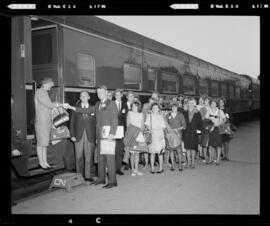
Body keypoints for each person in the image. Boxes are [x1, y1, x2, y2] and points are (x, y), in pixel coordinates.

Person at [66, 85, 118, 189]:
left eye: (102, 92)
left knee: (109, 158)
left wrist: (112, 133)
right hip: (99, 136)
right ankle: (101, 178)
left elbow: (114, 119)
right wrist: (72, 107)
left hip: (108, 135)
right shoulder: (98, 104)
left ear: (106, 92)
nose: (100, 94)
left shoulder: (111, 103)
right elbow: (86, 111)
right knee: (100, 158)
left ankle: (112, 181)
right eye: (98, 93)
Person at [70, 91, 96, 183]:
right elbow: (72, 123)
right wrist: (72, 135)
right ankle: (79, 176)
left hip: (90, 135)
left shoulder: (93, 108)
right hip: (78, 136)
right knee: (78, 157)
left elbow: (96, 124)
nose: (83, 97)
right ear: (80, 98)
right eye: (82, 96)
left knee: (89, 157)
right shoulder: (75, 108)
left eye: (85, 96)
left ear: (89, 97)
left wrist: (96, 137)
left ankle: (88, 176)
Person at [34, 78, 60, 169]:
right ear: (45, 84)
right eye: (50, 85)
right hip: (42, 122)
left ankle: (45, 162)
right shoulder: (40, 92)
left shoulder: (44, 92)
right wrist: (59, 104)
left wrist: (56, 104)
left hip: (45, 122)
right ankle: (41, 162)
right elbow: (49, 105)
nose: (51, 87)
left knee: (44, 143)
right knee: (41, 143)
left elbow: (48, 105)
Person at [145, 103, 166, 173]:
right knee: (152, 153)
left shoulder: (161, 116)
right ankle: (152, 168)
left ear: (158, 109)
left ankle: (161, 168)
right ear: (152, 109)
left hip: (160, 135)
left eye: (156, 108)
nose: (155, 109)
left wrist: (161, 135)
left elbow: (163, 126)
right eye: (154, 108)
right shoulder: (149, 116)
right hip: (153, 135)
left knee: (160, 153)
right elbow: (147, 125)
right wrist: (150, 130)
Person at [125, 101, 145, 176]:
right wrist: (133, 132)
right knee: (132, 153)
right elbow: (128, 125)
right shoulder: (129, 113)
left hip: (139, 135)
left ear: (138, 107)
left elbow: (142, 126)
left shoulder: (141, 114)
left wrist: (140, 131)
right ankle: (133, 170)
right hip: (132, 135)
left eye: (135, 106)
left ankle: (136, 169)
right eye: (132, 106)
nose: (134, 108)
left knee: (137, 153)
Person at [165, 103, 186, 171]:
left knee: (179, 150)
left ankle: (180, 165)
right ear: (171, 108)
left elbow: (184, 125)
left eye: (175, 107)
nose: (174, 108)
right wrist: (168, 131)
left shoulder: (180, 115)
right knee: (171, 150)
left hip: (178, 134)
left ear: (177, 108)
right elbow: (165, 124)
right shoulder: (168, 115)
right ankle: (173, 165)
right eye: (173, 107)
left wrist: (178, 129)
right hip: (170, 135)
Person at [182, 98, 203, 169]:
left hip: (194, 132)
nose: (191, 104)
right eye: (189, 103)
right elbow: (182, 123)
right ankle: (188, 163)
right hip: (186, 132)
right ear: (188, 104)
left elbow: (200, 123)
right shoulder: (184, 112)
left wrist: (199, 131)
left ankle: (193, 162)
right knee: (187, 148)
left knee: (193, 148)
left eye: (192, 103)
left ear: (194, 104)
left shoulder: (197, 113)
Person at [205, 99, 226, 165]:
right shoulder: (209, 111)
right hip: (211, 129)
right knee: (210, 145)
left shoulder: (220, 111)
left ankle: (218, 160)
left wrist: (219, 123)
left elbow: (224, 119)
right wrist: (210, 126)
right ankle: (211, 159)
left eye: (214, 103)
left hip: (217, 129)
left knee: (218, 145)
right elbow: (206, 119)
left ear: (216, 104)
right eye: (211, 103)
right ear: (210, 104)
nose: (213, 104)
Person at [142, 96, 156, 170]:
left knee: (153, 147)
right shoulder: (145, 106)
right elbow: (143, 115)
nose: (151, 103)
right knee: (145, 147)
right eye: (150, 102)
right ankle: (146, 164)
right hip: (146, 129)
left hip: (154, 130)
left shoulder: (156, 108)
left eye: (152, 102)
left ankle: (152, 164)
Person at [122, 91, 134, 170]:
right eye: (130, 96)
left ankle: (131, 163)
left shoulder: (135, 105)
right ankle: (126, 163)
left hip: (134, 129)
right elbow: (122, 118)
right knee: (126, 146)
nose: (131, 98)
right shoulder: (124, 106)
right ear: (127, 97)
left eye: (132, 96)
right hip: (126, 129)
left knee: (132, 146)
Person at [114, 89, 125, 175]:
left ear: (122, 95)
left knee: (120, 150)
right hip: (113, 130)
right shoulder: (111, 104)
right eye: (116, 95)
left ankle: (118, 168)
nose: (117, 96)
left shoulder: (125, 105)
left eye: (119, 94)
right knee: (112, 149)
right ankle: (111, 168)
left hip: (122, 130)